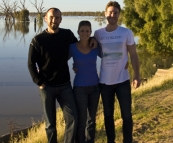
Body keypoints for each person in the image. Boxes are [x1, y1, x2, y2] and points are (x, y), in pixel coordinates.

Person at [28, 8, 97, 143]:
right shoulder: (38, 40)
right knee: (50, 124)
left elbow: (81, 43)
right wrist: (39, 82)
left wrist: (92, 38)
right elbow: (31, 64)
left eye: (57, 17)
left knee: (73, 118)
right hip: (46, 87)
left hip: (65, 85)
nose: (55, 20)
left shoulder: (67, 35)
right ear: (46, 18)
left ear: (61, 19)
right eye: (52, 17)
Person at [94, 1, 140, 143]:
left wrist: (137, 75)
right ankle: (111, 141)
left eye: (115, 12)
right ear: (105, 14)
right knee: (108, 115)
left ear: (119, 15)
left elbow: (133, 55)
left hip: (122, 81)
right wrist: (77, 66)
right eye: (110, 12)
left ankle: (128, 140)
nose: (112, 15)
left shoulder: (126, 32)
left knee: (126, 115)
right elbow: (87, 50)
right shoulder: (98, 34)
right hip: (105, 82)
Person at [68, 21, 101, 143]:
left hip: (95, 87)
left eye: (87, 31)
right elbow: (59, 59)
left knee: (91, 120)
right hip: (79, 88)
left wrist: (125, 60)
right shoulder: (72, 47)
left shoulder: (95, 46)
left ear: (91, 32)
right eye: (82, 31)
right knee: (81, 120)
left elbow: (109, 56)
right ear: (78, 32)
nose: (85, 33)